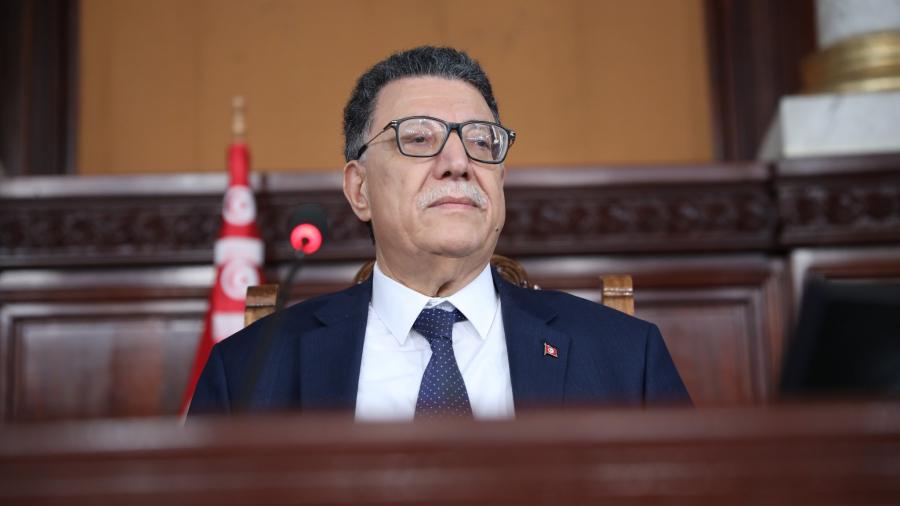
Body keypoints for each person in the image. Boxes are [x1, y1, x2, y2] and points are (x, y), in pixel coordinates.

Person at [189, 46, 689, 420]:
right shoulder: (249, 372)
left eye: (481, 141)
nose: (458, 162)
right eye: (418, 138)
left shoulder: (627, 357)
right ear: (359, 189)